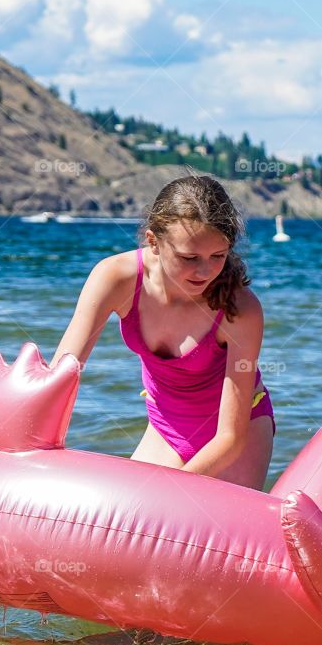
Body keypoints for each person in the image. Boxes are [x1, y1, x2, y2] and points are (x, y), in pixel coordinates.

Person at [53, 174, 275, 489]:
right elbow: (62, 375)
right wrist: (19, 441)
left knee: (204, 531)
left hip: (235, 438)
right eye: (189, 258)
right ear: (153, 242)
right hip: (165, 427)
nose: (205, 271)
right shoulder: (115, 279)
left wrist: (170, 488)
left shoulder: (240, 310)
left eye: (218, 256)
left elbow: (230, 436)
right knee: (126, 522)